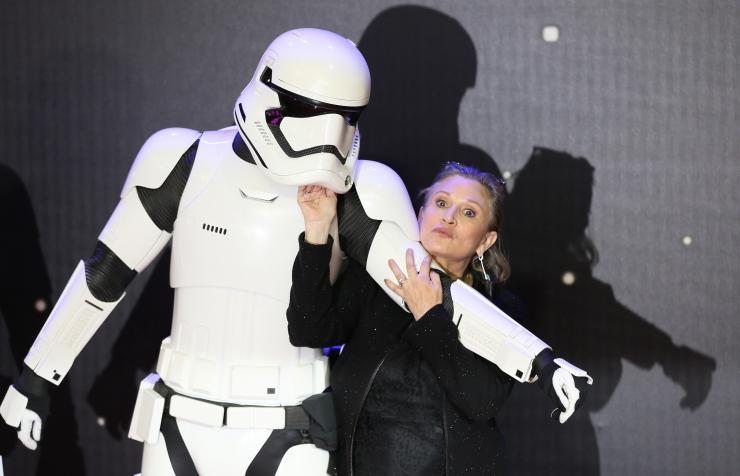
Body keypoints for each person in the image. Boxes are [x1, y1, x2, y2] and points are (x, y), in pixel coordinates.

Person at [1, 28, 588, 475]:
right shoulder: (183, 160)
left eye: (346, 118)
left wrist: (537, 360)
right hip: (180, 414)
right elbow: (105, 276)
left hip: (291, 428)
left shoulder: (363, 187)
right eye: (312, 111)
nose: (329, 136)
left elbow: (428, 292)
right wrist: (33, 378)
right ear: (271, 94)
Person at [288, 162, 582, 475]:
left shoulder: (502, 310)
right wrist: (317, 231)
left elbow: (480, 401)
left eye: (468, 212)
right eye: (441, 203)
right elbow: (309, 330)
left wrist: (429, 315)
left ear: (485, 241)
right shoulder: (373, 280)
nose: (449, 217)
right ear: (420, 215)